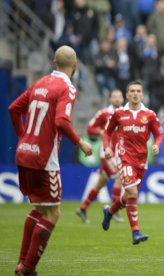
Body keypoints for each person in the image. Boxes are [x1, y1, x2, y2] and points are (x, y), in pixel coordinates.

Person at [8, 45, 93, 275]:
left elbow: (14, 109)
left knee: (38, 209)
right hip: (44, 158)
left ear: (54, 63)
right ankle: (28, 268)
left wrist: (23, 135)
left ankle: (21, 264)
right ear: (74, 66)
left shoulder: (40, 83)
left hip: (24, 152)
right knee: (52, 213)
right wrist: (81, 142)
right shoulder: (67, 87)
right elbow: (61, 122)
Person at [101, 80, 164, 245]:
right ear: (127, 95)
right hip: (124, 158)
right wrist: (107, 148)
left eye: (138, 91)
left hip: (142, 161)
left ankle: (110, 211)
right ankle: (135, 231)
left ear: (142, 95)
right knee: (133, 194)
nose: (135, 93)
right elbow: (106, 133)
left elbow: (159, 133)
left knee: (128, 196)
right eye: (132, 91)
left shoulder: (149, 115)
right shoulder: (119, 113)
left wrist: (157, 145)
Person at [76, 89, 125, 223]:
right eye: (114, 96)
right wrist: (102, 131)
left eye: (119, 96)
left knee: (100, 183)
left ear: (123, 98)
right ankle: (114, 211)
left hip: (120, 152)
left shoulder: (126, 113)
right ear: (109, 99)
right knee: (119, 177)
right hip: (107, 153)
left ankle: (83, 208)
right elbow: (90, 128)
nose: (117, 99)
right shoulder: (103, 113)